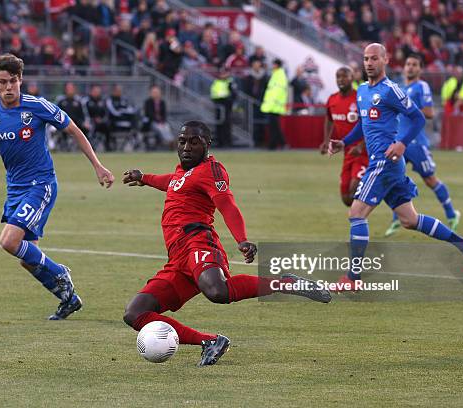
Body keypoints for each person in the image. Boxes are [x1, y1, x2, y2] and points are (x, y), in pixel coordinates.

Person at [122, 121, 331, 366]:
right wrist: (144, 178)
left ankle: (286, 283)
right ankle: (211, 341)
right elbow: (172, 182)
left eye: (194, 142)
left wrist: (242, 240)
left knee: (218, 292)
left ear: (207, 145)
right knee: (135, 313)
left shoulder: (212, 171)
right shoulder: (183, 172)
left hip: (198, 243)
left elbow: (227, 205)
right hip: (178, 259)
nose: (187, 147)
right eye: (182, 141)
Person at [0, 54, 115, 319]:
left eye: (14, 82)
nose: (9, 87)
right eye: (3, 82)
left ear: (21, 80)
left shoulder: (37, 106)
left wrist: (98, 166)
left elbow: (74, 129)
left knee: (8, 241)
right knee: (27, 259)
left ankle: (60, 273)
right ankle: (69, 299)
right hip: (15, 189)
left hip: (41, 185)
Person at [327, 44, 463, 290]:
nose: (368, 63)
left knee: (356, 213)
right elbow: (363, 124)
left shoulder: (391, 90)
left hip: (384, 162)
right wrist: (344, 142)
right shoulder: (363, 90)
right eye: (366, 58)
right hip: (387, 164)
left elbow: (419, 117)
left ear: (385, 60)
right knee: (409, 219)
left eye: (374, 58)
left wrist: (401, 143)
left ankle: (351, 280)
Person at [384, 54, 460, 237]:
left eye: (414, 64)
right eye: (408, 64)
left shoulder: (421, 86)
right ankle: (396, 219)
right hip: (399, 143)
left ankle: (451, 214)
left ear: (420, 69)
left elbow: (429, 112)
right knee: (394, 179)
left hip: (416, 143)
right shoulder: (399, 88)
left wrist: (407, 106)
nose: (410, 67)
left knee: (430, 180)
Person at [321, 67, 367, 207]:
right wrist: (326, 140)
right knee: (346, 198)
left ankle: (361, 217)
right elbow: (329, 119)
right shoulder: (332, 99)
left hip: (363, 152)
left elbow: (370, 124)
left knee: (354, 189)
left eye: (345, 76)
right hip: (347, 151)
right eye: (338, 76)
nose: (341, 79)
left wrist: (361, 145)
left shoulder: (359, 97)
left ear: (352, 78)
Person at [261, 58, 288, 150]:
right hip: (274, 105)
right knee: (274, 126)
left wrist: (273, 102)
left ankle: (275, 144)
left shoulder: (279, 75)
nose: (272, 66)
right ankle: (279, 144)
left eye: (273, 64)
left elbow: (277, 91)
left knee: (274, 126)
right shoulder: (277, 74)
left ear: (277, 65)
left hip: (274, 106)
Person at [210, 67, 237, 148]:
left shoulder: (230, 82)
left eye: (225, 73)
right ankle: (220, 142)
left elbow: (234, 94)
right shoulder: (216, 81)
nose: (223, 75)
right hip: (218, 104)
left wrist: (229, 101)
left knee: (226, 124)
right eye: (222, 73)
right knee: (219, 123)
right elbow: (213, 92)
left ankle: (227, 142)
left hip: (226, 104)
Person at [142, 85, 173, 150]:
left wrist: (162, 121)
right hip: (152, 122)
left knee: (166, 127)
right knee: (159, 128)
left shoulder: (162, 102)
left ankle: (171, 141)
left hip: (162, 121)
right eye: (154, 92)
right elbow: (149, 114)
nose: (156, 94)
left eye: (157, 92)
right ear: (151, 93)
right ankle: (167, 141)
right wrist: (158, 121)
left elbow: (164, 114)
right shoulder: (148, 102)